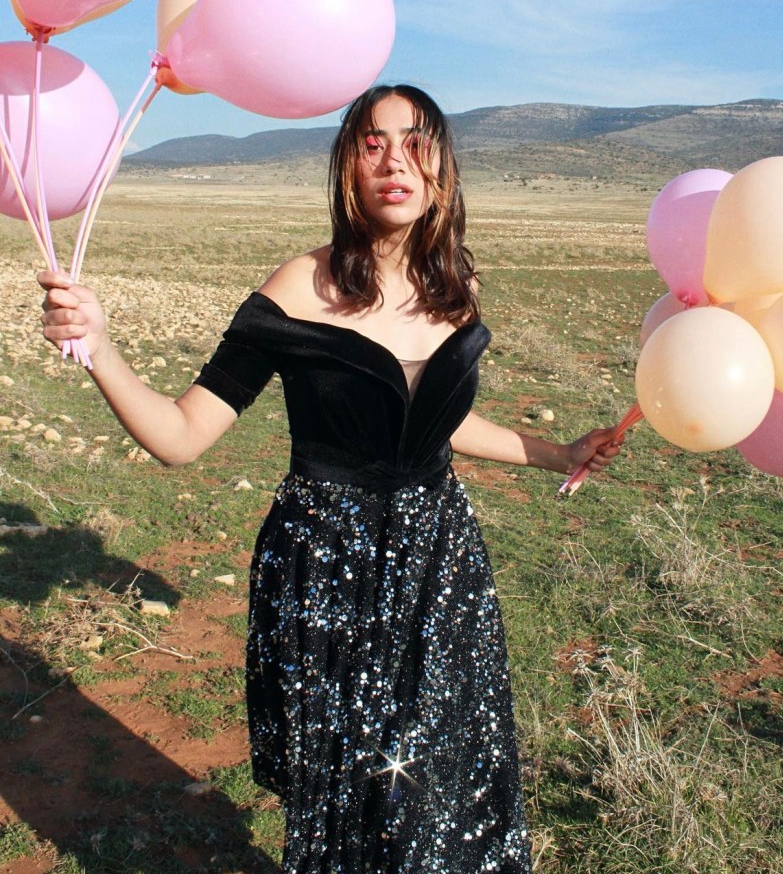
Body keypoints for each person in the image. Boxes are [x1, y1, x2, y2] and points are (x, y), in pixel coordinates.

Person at [39, 84, 622, 874]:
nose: (395, 161)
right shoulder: (298, 286)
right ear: (347, 166)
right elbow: (180, 435)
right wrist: (101, 347)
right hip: (327, 569)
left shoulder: (456, 286)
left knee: (444, 778)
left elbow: (431, 425)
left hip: (439, 565)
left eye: (416, 142)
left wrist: (559, 450)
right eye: (373, 143)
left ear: (442, 168)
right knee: (350, 792)